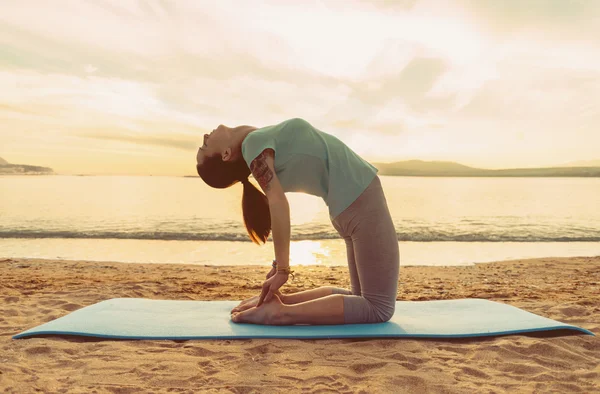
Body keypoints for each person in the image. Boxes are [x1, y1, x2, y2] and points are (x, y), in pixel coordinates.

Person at [196, 117, 399, 325]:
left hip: (351, 204)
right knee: (378, 308)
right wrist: (282, 268)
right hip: (361, 199)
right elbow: (277, 202)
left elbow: (276, 199)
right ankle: (281, 313)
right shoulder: (253, 145)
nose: (205, 136)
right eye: (205, 145)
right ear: (226, 154)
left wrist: (278, 267)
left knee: (359, 297)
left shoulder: (257, 144)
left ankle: (281, 303)